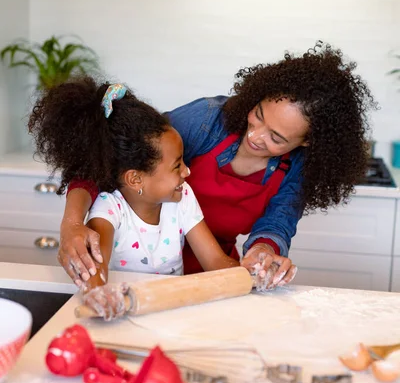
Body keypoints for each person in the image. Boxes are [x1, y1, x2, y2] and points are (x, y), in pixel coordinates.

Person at [53, 42, 377, 289]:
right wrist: (71, 223)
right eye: (259, 115)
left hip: (214, 272)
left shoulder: (295, 168)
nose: (256, 135)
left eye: (277, 137)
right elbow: (116, 154)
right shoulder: (206, 120)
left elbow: (276, 224)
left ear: (307, 142)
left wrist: (261, 256)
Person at [28, 78, 242, 319]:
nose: (187, 172)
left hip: (171, 315)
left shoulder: (183, 198)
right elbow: (95, 270)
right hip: (126, 317)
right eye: (176, 165)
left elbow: (215, 261)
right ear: (135, 180)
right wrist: (99, 295)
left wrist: (251, 274)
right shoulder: (110, 209)